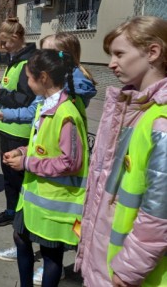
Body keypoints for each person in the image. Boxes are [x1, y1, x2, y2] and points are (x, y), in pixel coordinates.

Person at [75, 16, 167, 287]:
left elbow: (159, 212)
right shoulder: (130, 107)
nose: (111, 63)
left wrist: (130, 270)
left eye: (119, 54)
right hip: (108, 256)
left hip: (129, 272)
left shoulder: (160, 121)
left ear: (153, 52)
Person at [0, 49, 89, 287]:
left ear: (43, 77)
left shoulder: (66, 113)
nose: (27, 82)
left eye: (29, 78)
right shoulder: (45, 105)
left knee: (51, 256)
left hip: (55, 204)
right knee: (20, 237)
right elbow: (43, 146)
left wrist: (26, 162)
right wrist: (22, 152)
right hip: (35, 197)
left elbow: (70, 162)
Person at [0, 17, 36, 231]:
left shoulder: (28, 61)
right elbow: (14, 88)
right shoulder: (16, 59)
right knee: (9, 174)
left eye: (5, 43)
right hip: (7, 126)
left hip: (18, 130)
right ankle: (11, 211)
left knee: (17, 176)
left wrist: (0, 94)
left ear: (16, 38)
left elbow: (26, 99)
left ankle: (21, 219)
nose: (2, 47)